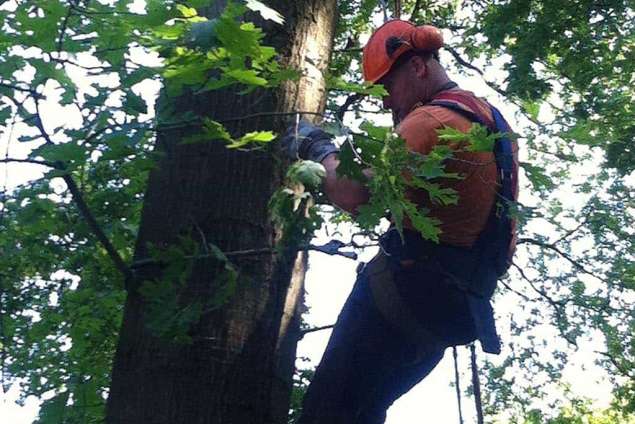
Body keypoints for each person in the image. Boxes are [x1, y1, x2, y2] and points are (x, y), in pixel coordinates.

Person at [282, 20, 519, 424]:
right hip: (453, 309)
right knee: (364, 409)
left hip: (405, 298)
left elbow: (357, 194)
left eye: (389, 89)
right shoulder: (492, 124)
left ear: (419, 68)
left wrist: (319, 150)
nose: (387, 103)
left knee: (329, 412)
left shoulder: (432, 122)